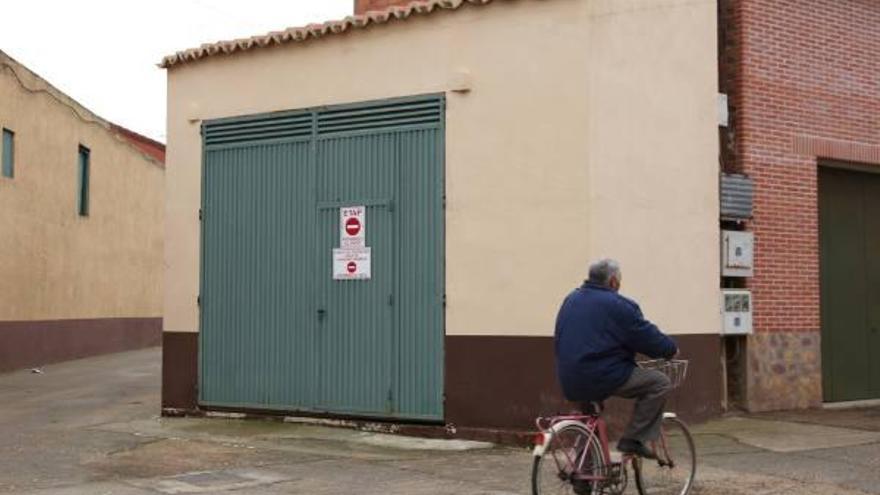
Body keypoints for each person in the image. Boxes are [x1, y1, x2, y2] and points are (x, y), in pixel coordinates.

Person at [554, 258, 678, 458]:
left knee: (589, 419)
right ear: (612, 281)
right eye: (619, 281)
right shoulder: (619, 305)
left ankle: (584, 478)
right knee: (659, 383)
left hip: (570, 376)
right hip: (603, 375)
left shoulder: (571, 299)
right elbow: (645, 335)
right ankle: (633, 439)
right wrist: (670, 349)